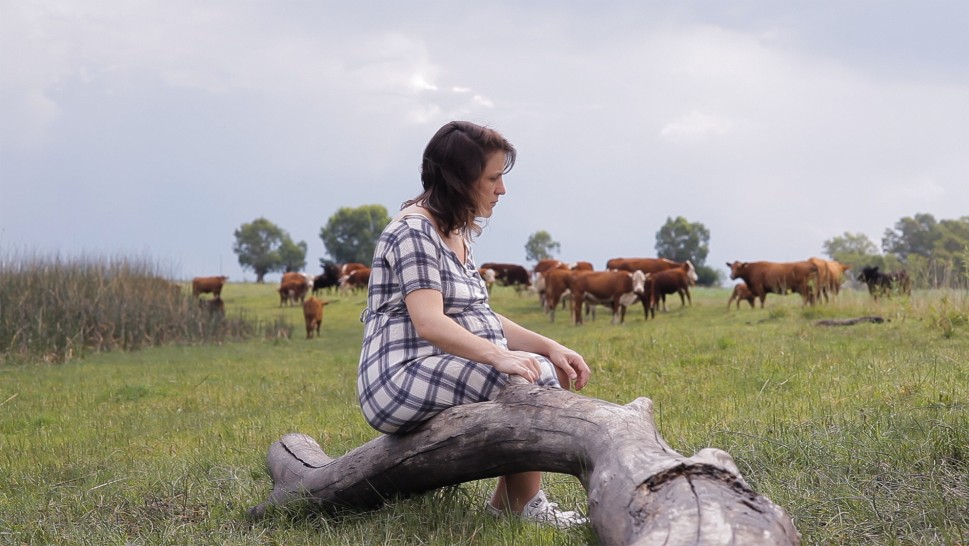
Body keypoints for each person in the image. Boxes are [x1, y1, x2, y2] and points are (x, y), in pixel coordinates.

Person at [357, 120, 592, 528]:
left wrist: (548, 346)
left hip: (438, 365)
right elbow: (430, 322)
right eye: (493, 178)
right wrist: (499, 357)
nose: (502, 189)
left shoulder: (454, 231)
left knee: (541, 368)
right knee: (522, 381)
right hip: (397, 376)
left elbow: (480, 314)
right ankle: (527, 506)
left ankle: (509, 505)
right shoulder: (413, 231)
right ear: (459, 180)